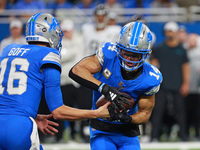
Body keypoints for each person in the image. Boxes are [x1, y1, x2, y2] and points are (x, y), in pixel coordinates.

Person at [0, 12, 111, 150]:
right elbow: (58, 111)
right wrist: (95, 114)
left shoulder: (7, 50)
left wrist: (32, 116)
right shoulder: (48, 55)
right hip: (19, 128)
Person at [69, 21, 162, 150]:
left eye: (136, 55)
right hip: (101, 128)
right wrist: (105, 88)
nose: (130, 59)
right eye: (126, 52)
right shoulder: (108, 54)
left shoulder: (150, 77)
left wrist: (126, 118)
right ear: (118, 48)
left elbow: (145, 113)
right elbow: (77, 70)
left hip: (128, 132)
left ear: (146, 54)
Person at [150, 21, 189, 142]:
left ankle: (183, 136)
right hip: (162, 85)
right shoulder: (161, 48)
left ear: (176, 32)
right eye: (168, 30)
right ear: (165, 32)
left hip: (178, 84)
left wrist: (186, 83)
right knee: (158, 110)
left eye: (172, 30)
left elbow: (185, 67)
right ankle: (154, 136)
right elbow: (154, 65)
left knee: (180, 111)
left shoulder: (181, 49)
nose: (170, 33)